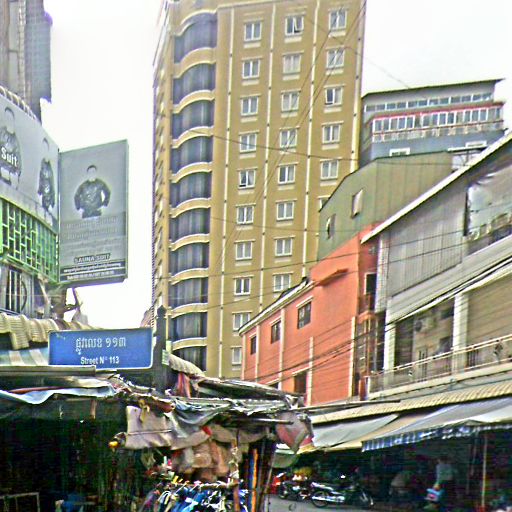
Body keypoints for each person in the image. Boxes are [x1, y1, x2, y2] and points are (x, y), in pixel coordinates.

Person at [0, 107, 22, 187]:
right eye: (7, 117)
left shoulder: (15, 141)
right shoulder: (1, 133)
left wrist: (16, 174)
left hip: (9, 177)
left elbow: (18, 161)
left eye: (10, 118)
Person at [38, 138, 56, 212]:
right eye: (42, 148)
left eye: (45, 148)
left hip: (48, 196)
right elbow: (41, 179)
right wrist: (39, 191)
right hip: (43, 195)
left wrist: (52, 200)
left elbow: (52, 183)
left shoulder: (50, 165)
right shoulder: (42, 163)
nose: (43, 150)